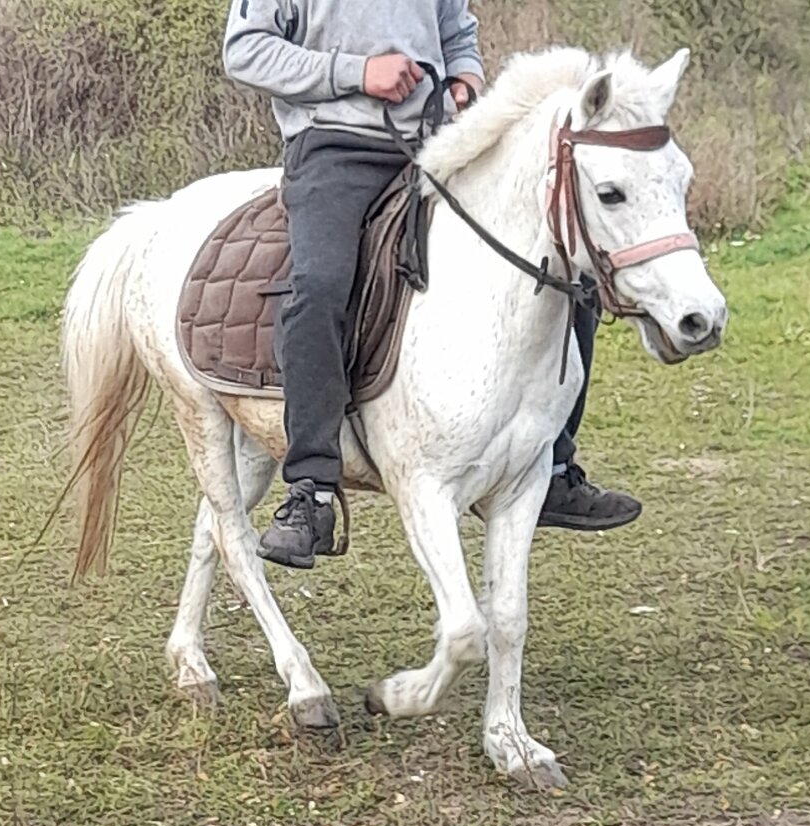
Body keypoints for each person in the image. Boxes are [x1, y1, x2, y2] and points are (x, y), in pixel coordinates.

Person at [223, 0, 641, 569]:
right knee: (319, 285)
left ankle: (557, 467)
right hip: (333, 147)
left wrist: (466, 76)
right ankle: (311, 490)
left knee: (568, 263)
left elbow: (457, 30)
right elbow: (244, 51)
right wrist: (357, 72)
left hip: (439, 141)